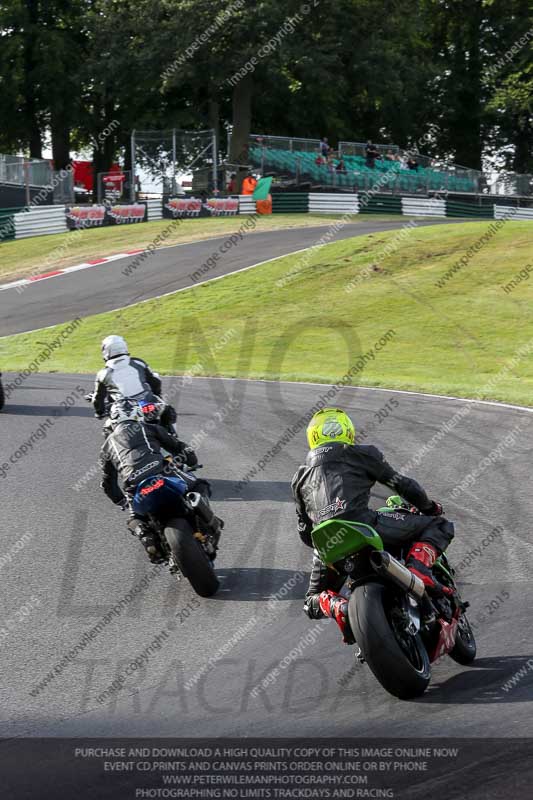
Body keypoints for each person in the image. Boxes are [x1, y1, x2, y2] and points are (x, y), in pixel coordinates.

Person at [291, 408, 454, 643]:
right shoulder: (361, 453)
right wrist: (429, 507)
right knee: (439, 525)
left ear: (313, 437)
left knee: (311, 600)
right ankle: (419, 569)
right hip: (364, 525)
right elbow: (404, 486)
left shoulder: (299, 477)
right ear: (347, 431)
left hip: (326, 545)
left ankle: (337, 606)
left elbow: (305, 533)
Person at [99, 399, 220, 562]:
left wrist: (120, 501)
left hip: (134, 486)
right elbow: (179, 446)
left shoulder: (106, 446)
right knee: (200, 484)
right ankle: (210, 522)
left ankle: (146, 536)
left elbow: (108, 483)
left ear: (113, 418)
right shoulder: (150, 428)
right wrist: (191, 461)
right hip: (162, 473)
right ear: (138, 414)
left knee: (135, 518)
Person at [92, 335, 177, 431]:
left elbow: (98, 398)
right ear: (124, 347)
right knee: (169, 411)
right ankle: (173, 438)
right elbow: (155, 381)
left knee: (107, 429)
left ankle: (118, 444)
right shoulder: (138, 363)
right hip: (147, 406)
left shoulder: (103, 374)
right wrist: (157, 394)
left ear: (106, 351)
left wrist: (99, 412)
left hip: (124, 413)